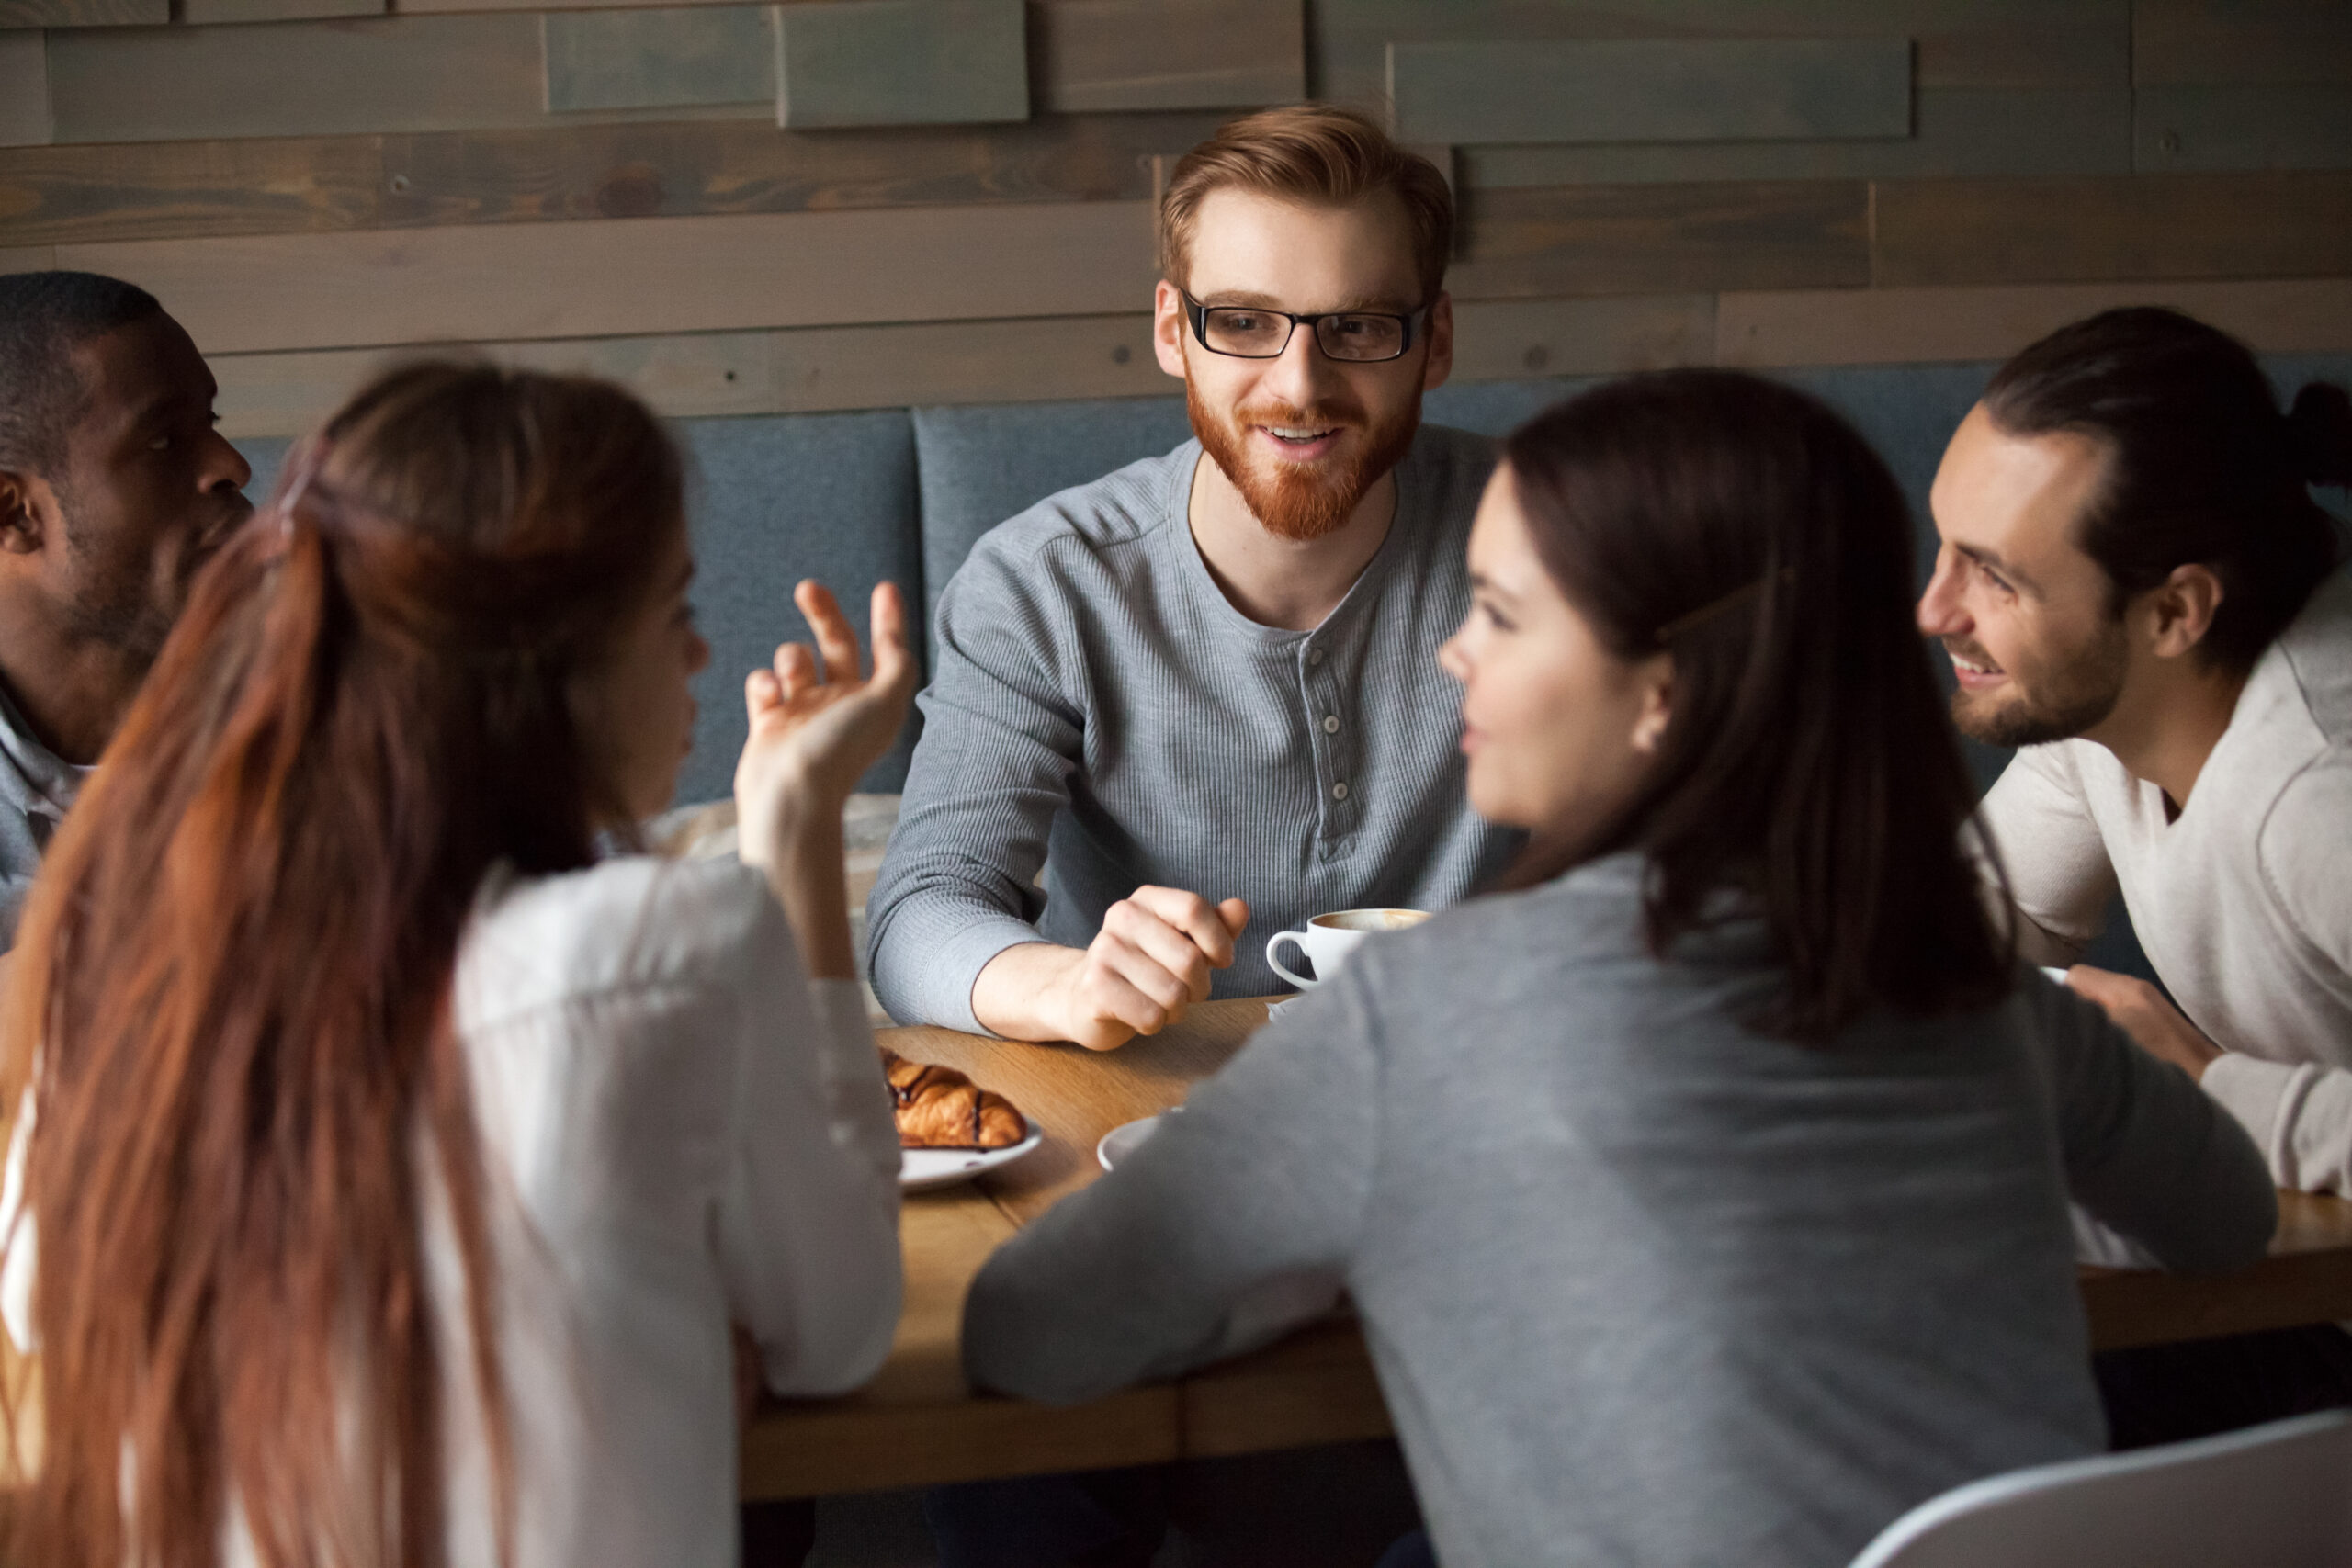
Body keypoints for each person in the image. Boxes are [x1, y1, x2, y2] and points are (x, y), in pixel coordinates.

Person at [958, 370, 2277, 1568]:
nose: (1452, 652)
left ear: (1666, 692)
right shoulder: (1966, 975)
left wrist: (1345, 1235)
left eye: (1502, 613)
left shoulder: (1415, 1022)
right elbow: (2226, 1214)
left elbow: (1030, 1329)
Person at [0, 363, 913, 1567]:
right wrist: (791, 823)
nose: (701, 656)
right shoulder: (672, 943)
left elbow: (36, 1300)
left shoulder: (117, 958)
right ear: (548, 665)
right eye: (675, 609)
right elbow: (839, 1331)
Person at [866, 105, 1514, 1048]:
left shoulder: (1555, 536)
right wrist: (1064, 986)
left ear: (1435, 340)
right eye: (1243, 323)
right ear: (1174, 330)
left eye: (1359, 326)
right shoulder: (1043, 585)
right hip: (1147, 1115)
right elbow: (919, 912)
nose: (1299, 384)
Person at [1917, 305, 2352, 1447]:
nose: (1934, 608)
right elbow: (1963, 930)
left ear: (2174, 609)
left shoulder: (2323, 791)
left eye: (1993, 577)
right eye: (1944, 544)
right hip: (2266, 1309)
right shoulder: (2105, 696)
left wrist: (2207, 1087)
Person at [0, 270, 254, 945]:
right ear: (14, 512)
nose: (232, 465)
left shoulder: (342, 704)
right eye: (164, 440)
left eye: (212, 424)